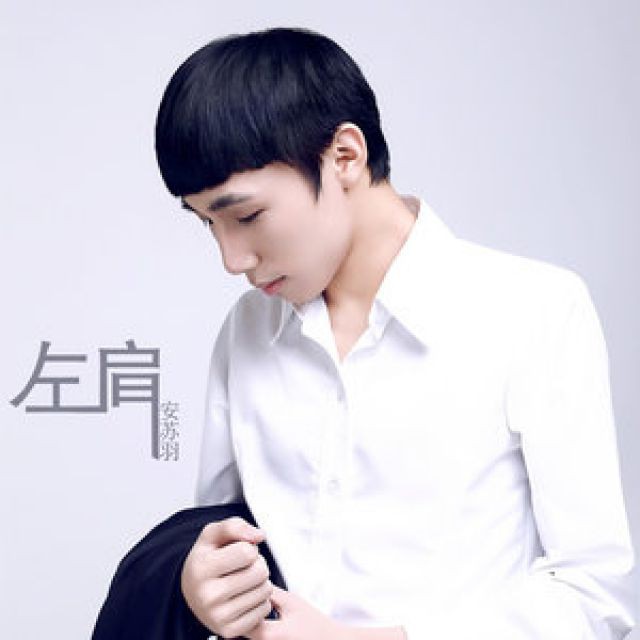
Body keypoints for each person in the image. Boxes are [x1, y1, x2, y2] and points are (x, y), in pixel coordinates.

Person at [154, 26, 636, 639]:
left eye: (246, 215)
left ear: (345, 156)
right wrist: (202, 585)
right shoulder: (246, 331)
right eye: (207, 224)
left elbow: (595, 597)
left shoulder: (535, 311)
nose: (232, 259)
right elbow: (221, 538)